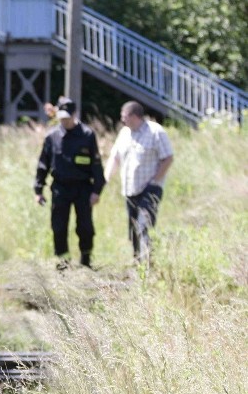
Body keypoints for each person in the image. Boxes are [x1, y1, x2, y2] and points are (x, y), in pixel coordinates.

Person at [33, 100, 105, 268]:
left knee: (85, 228)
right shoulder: (52, 136)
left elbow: (96, 164)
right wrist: (38, 190)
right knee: (58, 228)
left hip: (83, 188)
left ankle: (86, 261)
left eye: (67, 118)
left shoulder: (87, 135)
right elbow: (43, 164)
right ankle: (62, 263)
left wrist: (97, 190)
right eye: (61, 118)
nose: (64, 121)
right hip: (60, 188)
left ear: (74, 115)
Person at [104, 100, 174, 264]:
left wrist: (155, 181)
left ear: (134, 116)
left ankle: (148, 262)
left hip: (149, 189)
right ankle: (137, 262)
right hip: (129, 190)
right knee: (133, 229)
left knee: (144, 226)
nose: (122, 120)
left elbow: (168, 158)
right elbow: (115, 158)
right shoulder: (124, 133)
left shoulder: (155, 132)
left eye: (124, 117)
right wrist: (105, 179)